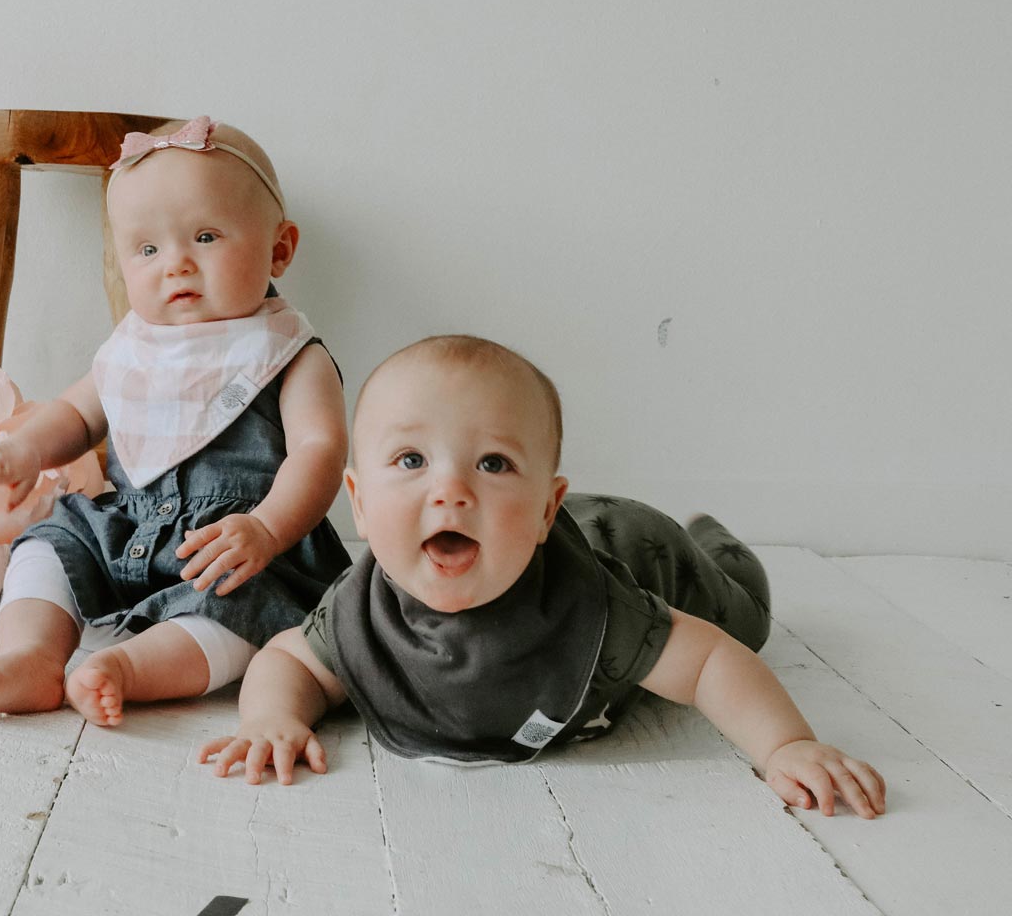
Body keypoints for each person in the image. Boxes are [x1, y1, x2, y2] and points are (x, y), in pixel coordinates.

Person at [199, 335, 887, 819]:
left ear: (544, 508)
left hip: (639, 544)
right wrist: (271, 718)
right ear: (359, 503)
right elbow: (291, 657)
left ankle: (717, 539)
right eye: (411, 460)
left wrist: (786, 744)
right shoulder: (363, 609)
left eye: (493, 463)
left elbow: (709, 660)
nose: (450, 490)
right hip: (556, 528)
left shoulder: (596, 609)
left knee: (745, 612)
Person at [0, 116, 350, 726]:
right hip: (124, 525)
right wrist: (26, 448)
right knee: (47, 544)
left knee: (243, 610)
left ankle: (130, 670)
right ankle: (31, 656)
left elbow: (320, 450)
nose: (175, 265)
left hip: (231, 547)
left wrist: (265, 529)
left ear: (279, 249)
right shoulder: (135, 345)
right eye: (148, 249)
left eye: (206, 237)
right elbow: (79, 413)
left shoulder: (290, 352)